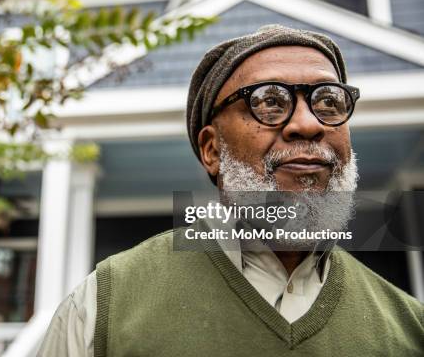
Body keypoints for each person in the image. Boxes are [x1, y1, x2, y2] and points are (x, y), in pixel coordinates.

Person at [38, 25, 424, 356]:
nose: (308, 124)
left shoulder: (410, 328)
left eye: (328, 101)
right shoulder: (105, 304)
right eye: (269, 101)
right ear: (212, 150)